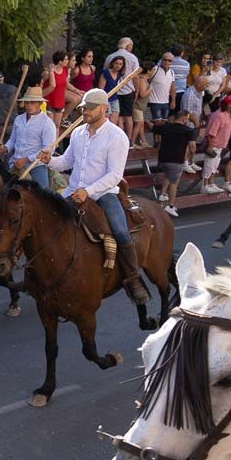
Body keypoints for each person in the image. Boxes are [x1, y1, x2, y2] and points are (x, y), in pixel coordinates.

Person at [37, 88, 148, 304]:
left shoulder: (117, 137)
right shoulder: (78, 133)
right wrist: (49, 160)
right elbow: (66, 162)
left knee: (120, 231)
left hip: (102, 194)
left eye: (89, 108)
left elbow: (115, 175)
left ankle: (134, 279)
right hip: (73, 193)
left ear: (104, 109)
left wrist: (88, 191)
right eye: (83, 108)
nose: (84, 111)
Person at [0, 86, 56, 189]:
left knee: (42, 194)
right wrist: (4, 148)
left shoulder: (47, 123)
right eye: (27, 102)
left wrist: (26, 159)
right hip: (15, 163)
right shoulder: (19, 119)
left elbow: (49, 150)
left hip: (35, 166)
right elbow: (13, 140)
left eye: (32, 102)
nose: (29, 105)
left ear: (40, 104)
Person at [151, 110, 195, 217]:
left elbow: (153, 127)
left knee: (167, 175)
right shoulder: (188, 130)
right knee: (174, 183)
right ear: (183, 119)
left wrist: (149, 122)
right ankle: (170, 206)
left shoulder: (165, 127)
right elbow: (192, 146)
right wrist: (192, 158)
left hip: (162, 159)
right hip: (176, 160)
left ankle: (162, 194)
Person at [200, 95, 231, 194]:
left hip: (220, 145)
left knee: (214, 166)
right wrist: (211, 146)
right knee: (209, 165)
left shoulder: (227, 114)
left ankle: (211, 183)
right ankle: (205, 185)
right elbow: (211, 133)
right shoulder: (218, 115)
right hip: (213, 145)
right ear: (228, 105)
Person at [103, 37, 139, 127]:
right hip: (128, 90)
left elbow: (105, 73)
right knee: (128, 117)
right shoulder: (132, 57)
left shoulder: (110, 57)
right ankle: (129, 139)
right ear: (128, 46)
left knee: (118, 118)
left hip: (112, 91)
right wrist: (137, 90)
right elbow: (136, 76)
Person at [40, 51, 70, 123]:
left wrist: (77, 91)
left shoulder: (65, 69)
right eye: (66, 59)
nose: (67, 61)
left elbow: (66, 83)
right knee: (50, 125)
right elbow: (40, 83)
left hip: (60, 102)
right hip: (50, 102)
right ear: (60, 61)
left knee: (57, 126)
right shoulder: (49, 72)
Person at [147, 53, 176, 124]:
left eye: (169, 60)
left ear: (172, 62)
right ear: (162, 60)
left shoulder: (172, 72)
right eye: (165, 60)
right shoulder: (155, 69)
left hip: (166, 102)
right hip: (155, 101)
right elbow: (145, 79)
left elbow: (172, 87)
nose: (167, 62)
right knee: (158, 123)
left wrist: (173, 101)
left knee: (164, 124)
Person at [98, 54, 126, 124]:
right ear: (113, 63)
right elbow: (101, 89)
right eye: (116, 63)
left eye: (120, 64)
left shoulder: (119, 74)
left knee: (114, 121)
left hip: (114, 99)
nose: (118, 65)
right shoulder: (106, 73)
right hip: (106, 99)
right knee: (106, 120)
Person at [169, 44, 191, 111]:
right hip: (181, 90)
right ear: (182, 53)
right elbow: (186, 75)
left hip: (167, 91)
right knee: (178, 112)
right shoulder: (186, 64)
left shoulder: (165, 61)